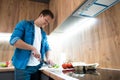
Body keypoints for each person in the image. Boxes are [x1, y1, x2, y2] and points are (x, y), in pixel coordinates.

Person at [9, 9, 54, 80]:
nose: (46, 24)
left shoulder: (43, 33)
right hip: (23, 68)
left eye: (48, 23)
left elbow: (47, 48)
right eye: (46, 20)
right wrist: (33, 48)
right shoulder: (24, 24)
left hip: (37, 67)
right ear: (41, 16)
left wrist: (48, 58)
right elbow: (14, 40)